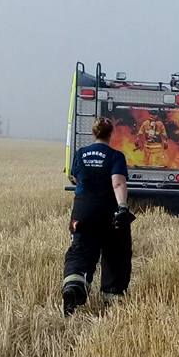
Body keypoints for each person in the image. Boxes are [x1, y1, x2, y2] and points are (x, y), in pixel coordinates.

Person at [62, 117, 136, 316]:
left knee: (80, 251)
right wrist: (122, 207)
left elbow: (74, 177)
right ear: (111, 134)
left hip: (82, 212)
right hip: (108, 212)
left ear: (93, 133)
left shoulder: (80, 154)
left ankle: (73, 287)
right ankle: (111, 297)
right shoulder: (115, 156)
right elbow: (118, 183)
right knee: (116, 253)